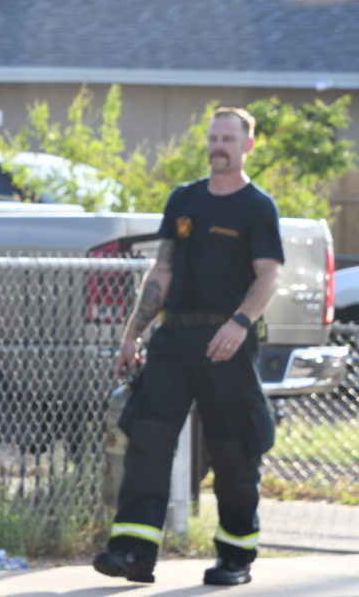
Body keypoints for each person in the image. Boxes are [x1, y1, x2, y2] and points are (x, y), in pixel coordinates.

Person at [93, 107, 283, 587]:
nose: (219, 147)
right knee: (148, 438)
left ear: (247, 146)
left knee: (234, 451)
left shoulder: (257, 207)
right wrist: (132, 333)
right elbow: (163, 270)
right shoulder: (184, 199)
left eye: (228, 139)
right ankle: (133, 552)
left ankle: (236, 557)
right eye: (214, 138)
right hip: (174, 340)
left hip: (227, 344)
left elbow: (268, 276)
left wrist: (240, 323)